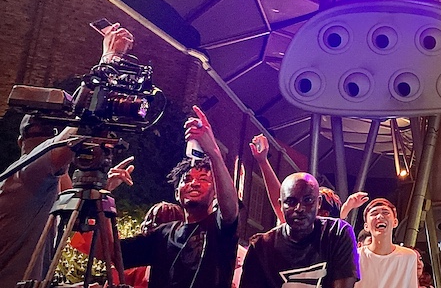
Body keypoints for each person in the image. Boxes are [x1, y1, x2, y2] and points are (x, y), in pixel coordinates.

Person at [0, 22, 133, 286]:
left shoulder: (41, 188)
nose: (47, 140)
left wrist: (102, 187)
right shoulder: (24, 176)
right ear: (21, 143)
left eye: (51, 132)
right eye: (41, 134)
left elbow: (67, 205)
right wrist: (109, 61)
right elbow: (73, 134)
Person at [118, 106, 240, 288]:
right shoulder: (162, 235)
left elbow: (230, 210)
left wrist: (214, 153)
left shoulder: (220, 229)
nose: (194, 183)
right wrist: (102, 194)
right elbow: (112, 251)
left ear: (216, 193)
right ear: (177, 192)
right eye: (187, 179)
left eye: (204, 179)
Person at [239, 172, 359, 288]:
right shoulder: (262, 247)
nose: (299, 208)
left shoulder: (337, 232)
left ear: (319, 203)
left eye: (308, 200)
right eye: (291, 202)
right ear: (281, 205)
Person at [249, 133, 369, 223]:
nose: (299, 208)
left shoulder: (331, 239)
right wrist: (263, 161)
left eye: (308, 200)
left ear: (323, 212)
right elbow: (279, 202)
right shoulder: (296, 227)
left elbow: (277, 202)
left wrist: (263, 161)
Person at [355, 198, 418, 288]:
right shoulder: (356, 256)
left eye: (385, 212)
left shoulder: (409, 256)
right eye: (374, 214)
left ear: (395, 222)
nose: (380, 216)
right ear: (366, 226)